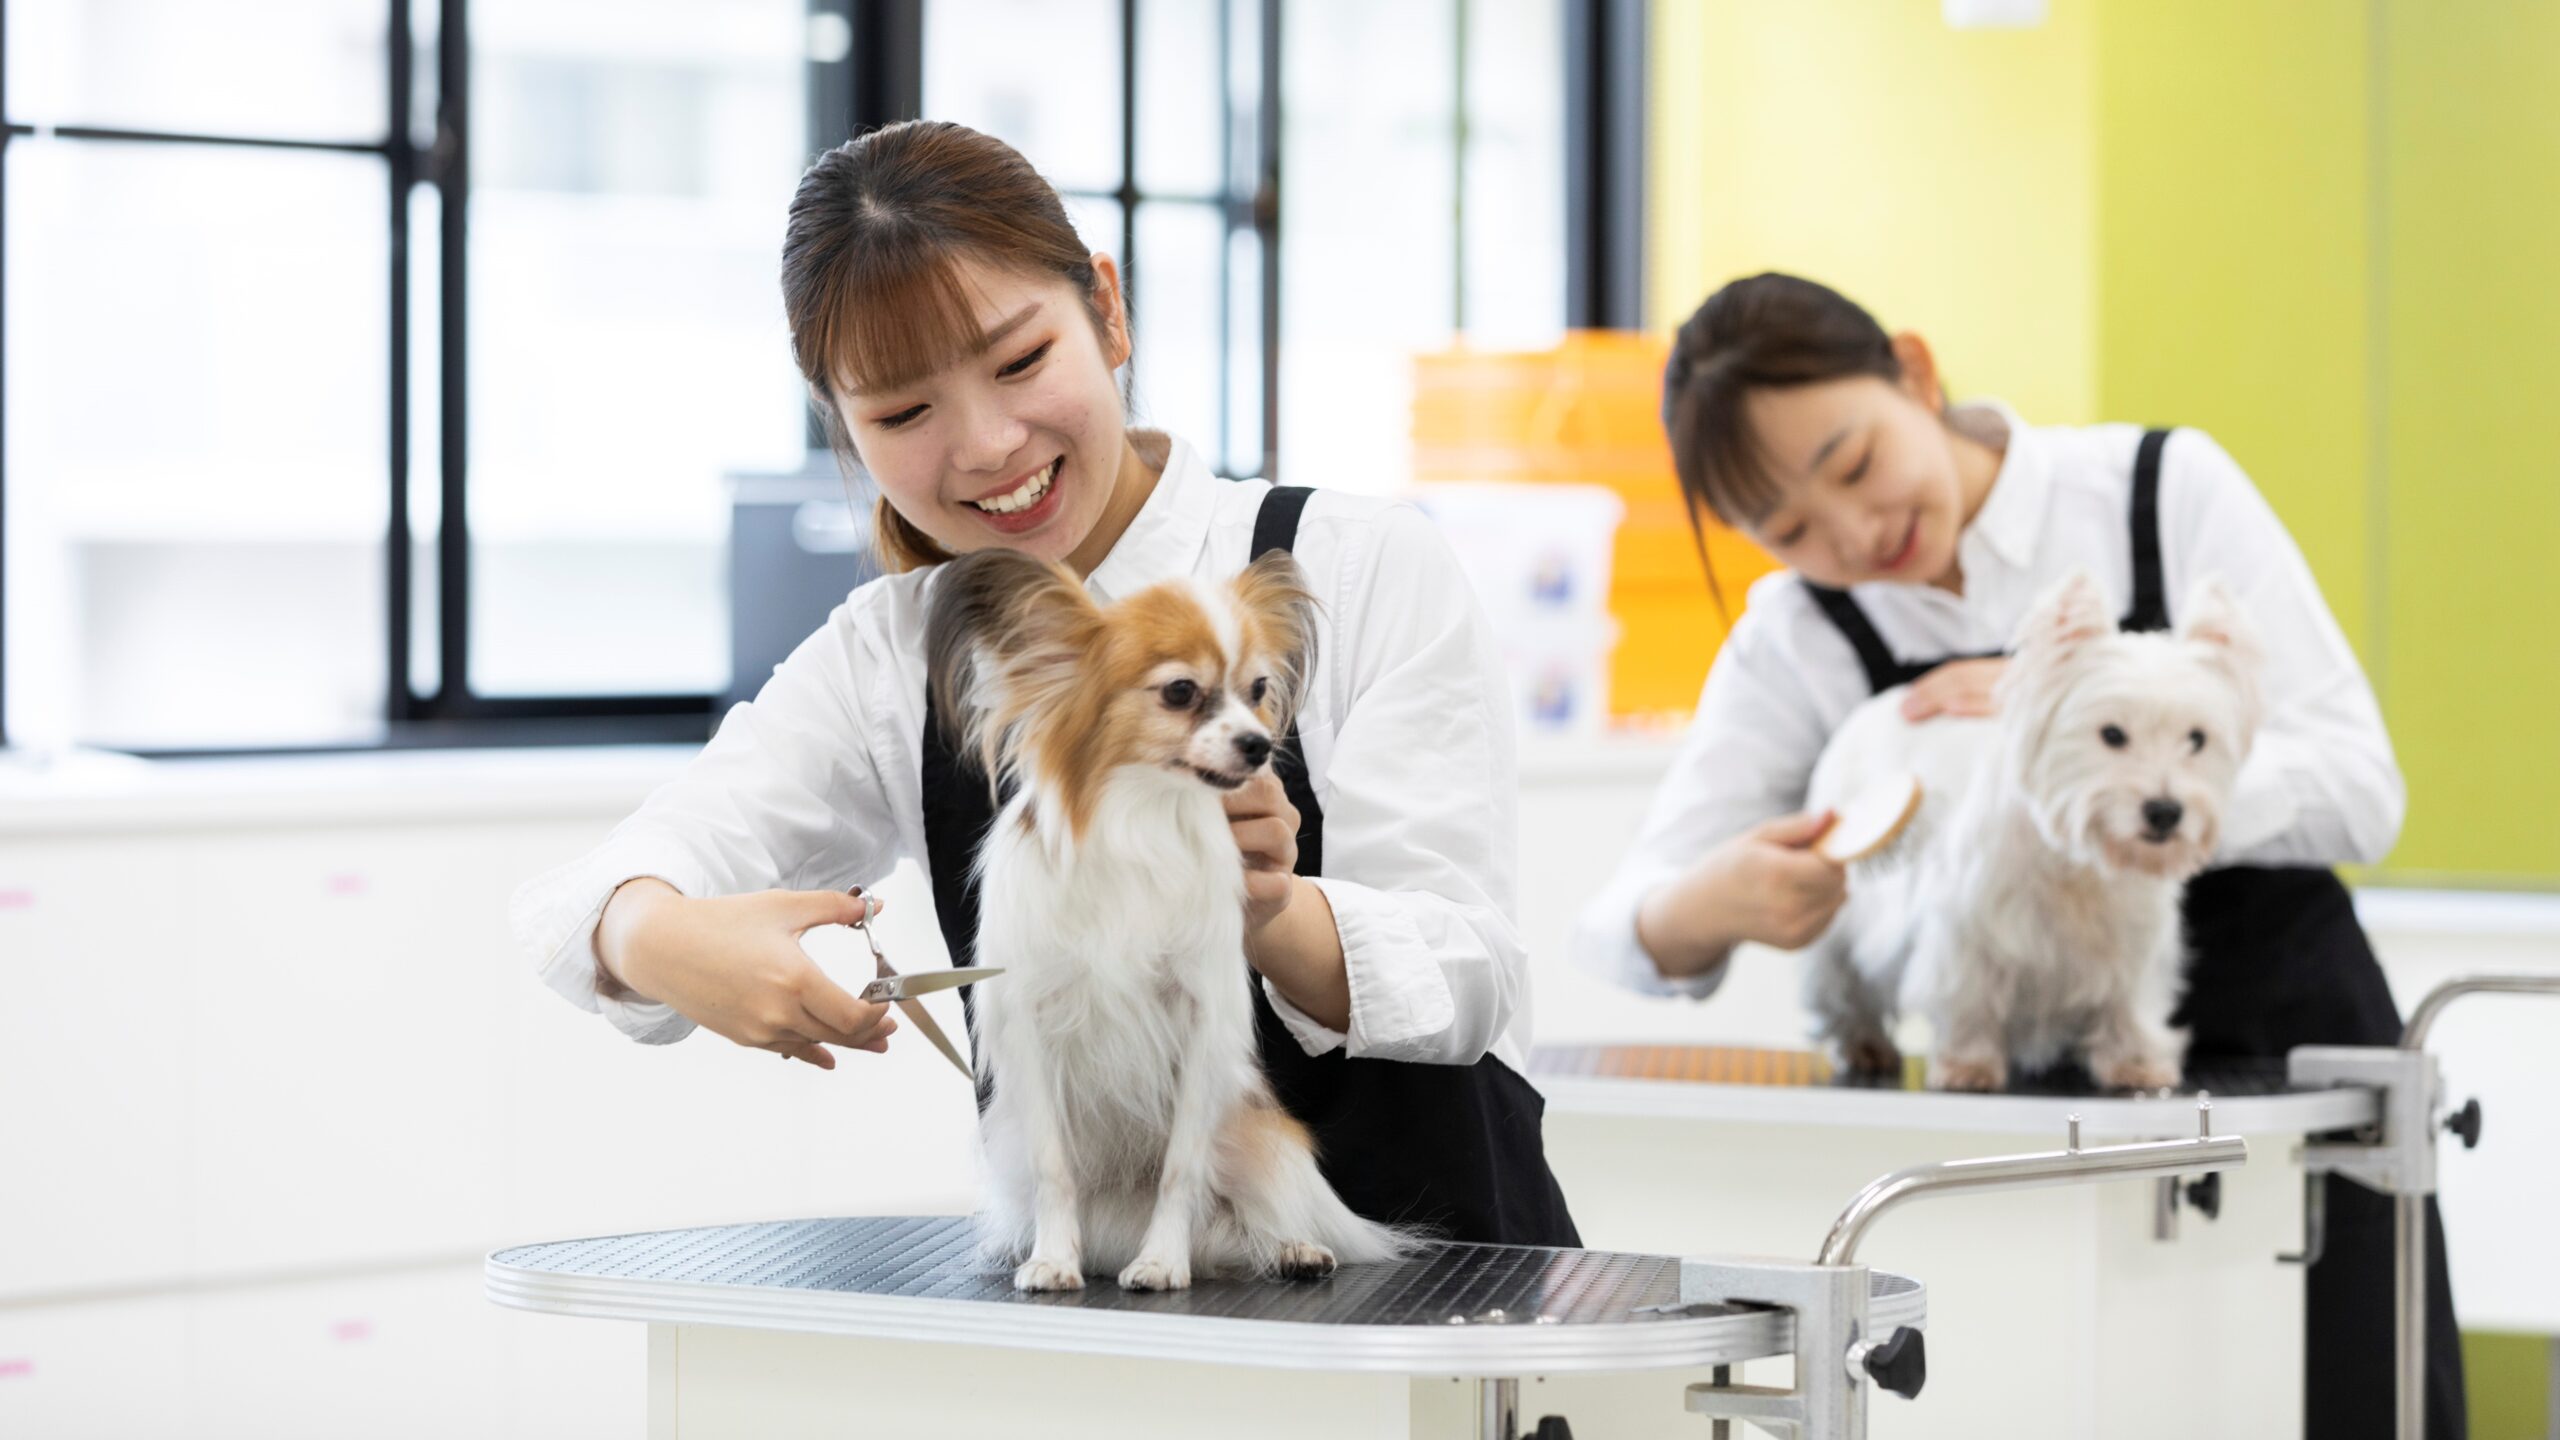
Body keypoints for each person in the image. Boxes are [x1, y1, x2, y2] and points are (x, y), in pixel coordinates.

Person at [512, 120, 1576, 1248]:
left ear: (1107, 311)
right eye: (903, 413)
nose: (986, 445)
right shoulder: (895, 654)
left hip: (1444, 1292)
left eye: (1019, 362)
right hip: (1107, 1307)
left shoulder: (1352, 566)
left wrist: (1270, 910)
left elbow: (1471, 976)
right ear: (846, 432)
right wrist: (651, 936)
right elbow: (590, 895)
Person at [1570, 271, 2460, 1438]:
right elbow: (1622, 925)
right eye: (1789, 531)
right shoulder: (1800, 633)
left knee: (2347, 1398)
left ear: (1914, 372)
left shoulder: (2155, 491)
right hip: (2007, 1123)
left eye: (1854, 463)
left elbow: (2360, 789)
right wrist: (1715, 902)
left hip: (2283, 1058)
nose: (1852, 535)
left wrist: (2099, 753)